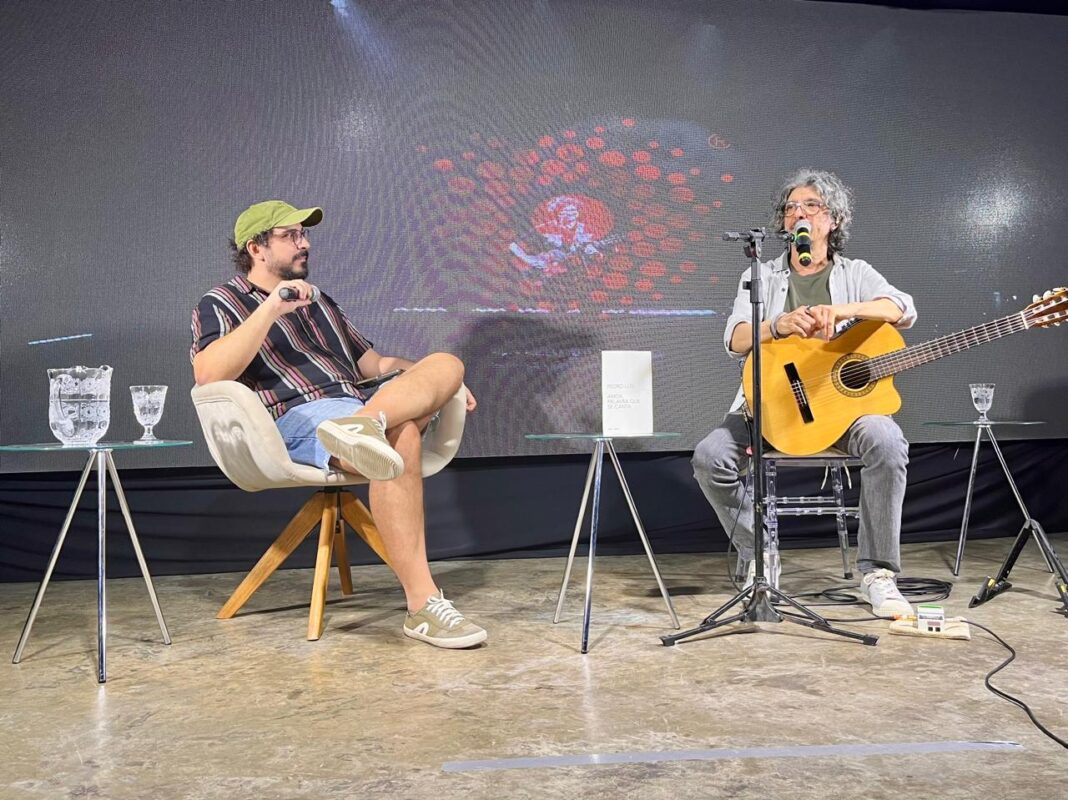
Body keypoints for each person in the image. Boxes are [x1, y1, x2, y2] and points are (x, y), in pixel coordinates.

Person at [190, 200, 486, 648]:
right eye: (290, 235)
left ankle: (363, 425)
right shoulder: (220, 302)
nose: (304, 243)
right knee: (403, 434)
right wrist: (270, 309)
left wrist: (432, 382)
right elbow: (209, 373)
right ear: (256, 248)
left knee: (447, 363)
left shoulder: (321, 301)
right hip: (299, 417)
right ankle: (423, 604)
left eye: (304, 234)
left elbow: (375, 364)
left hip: (360, 405)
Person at [691, 170, 917, 617]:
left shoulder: (856, 273)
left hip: (840, 415)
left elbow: (902, 308)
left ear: (833, 220)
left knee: (887, 442)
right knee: (709, 458)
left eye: (811, 206)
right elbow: (735, 338)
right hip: (766, 407)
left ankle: (878, 573)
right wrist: (776, 325)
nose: (799, 213)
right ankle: (761, 553)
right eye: (792, 207)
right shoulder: (760, 274)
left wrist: (843, 310)